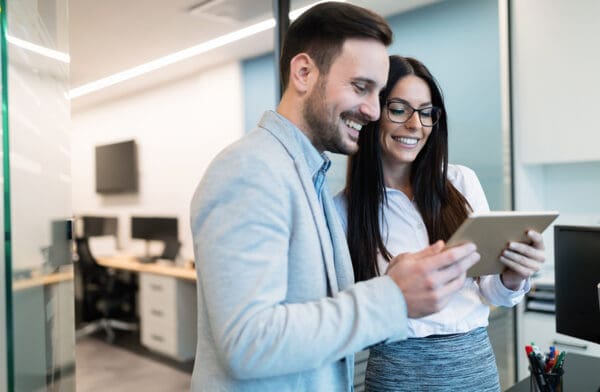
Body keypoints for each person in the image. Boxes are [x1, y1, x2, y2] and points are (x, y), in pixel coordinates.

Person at [189, 4, 480, 391]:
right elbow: (248, 342)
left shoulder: (309, 179)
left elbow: (318, 321)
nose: (373, 110)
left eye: (378, 93)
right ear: (304, 73)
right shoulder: (250, 170)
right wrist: (392, 297)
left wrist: (396, 285)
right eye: (361, 88)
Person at [334, 55, 546, 391]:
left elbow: (491, 293)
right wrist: (391, 291)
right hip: (397, 372)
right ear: (374, 113)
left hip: (473, 364)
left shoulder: (461, 183)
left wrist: (513, 275)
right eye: (400, 109)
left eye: (426, 112)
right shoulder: (344, 211)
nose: (415, 125)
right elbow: (346, 319)